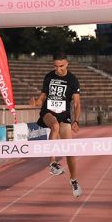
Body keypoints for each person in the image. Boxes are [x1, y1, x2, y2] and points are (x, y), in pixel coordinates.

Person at [28, 52, 82, 197]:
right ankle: (52, 163)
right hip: (48, 112)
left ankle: (74, 180)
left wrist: (76, 121)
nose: (58, 69)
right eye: (56, 66)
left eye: (61, 66)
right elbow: (42, 98)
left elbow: (76, 104)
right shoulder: (49, 76)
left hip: (64, 115)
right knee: (54, 127)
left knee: (70, 151)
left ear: (67, 64)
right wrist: (35, 103)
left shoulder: (72, 80)